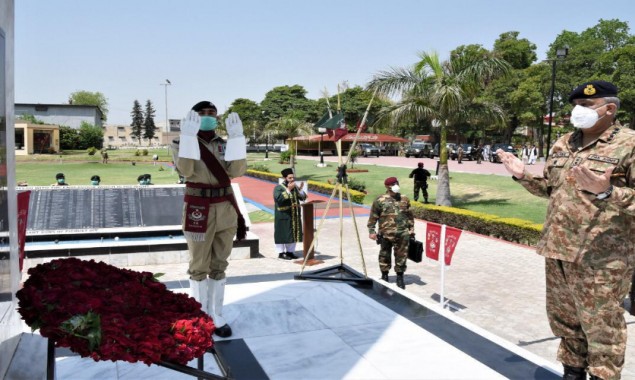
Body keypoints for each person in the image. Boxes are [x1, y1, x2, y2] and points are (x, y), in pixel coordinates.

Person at [496, 80, 635, 380]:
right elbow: (552, 189)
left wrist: (607, 192)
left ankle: (603, 375)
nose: (577, 111)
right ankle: (572, 372)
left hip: (602, 257)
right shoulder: (563, 143)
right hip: (558, 249)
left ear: (609, 109)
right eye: (575, 106)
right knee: (565, 320)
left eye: (586, 106)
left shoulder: (630, 144)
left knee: (602, 324)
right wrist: (522, 176)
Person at [172, 100, 247, 338]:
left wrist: (237, 141)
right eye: (202, 113)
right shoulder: (179, 142)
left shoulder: (223, 144)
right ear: (193, 116)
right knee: (198, 266)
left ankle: (217, 315)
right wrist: (188, 138)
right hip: (198, 207)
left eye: (211, 113)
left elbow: (236, 172)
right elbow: (186, 170)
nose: (207, 116)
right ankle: (200, 316)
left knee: (219, 264)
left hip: (225, 207)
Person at [367, 177, 415, 289]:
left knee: (401, 256)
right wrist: (371, 231)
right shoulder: (380, 200)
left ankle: (400, 277)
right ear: (387, 187)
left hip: (402, 233)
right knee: (384, 255)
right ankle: (384, 275)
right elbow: (373, 216)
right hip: (385, 234)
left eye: (397, 183)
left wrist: (411, 230)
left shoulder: (405, 199)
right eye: (393, 184)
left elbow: (410, 216)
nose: (396, 185)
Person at [273, 168, 307, 260]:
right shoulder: (278, 188)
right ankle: (281, 253)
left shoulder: (295, 187)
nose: (292, 179)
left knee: (292, 234)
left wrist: (300, 190)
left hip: (294, 215)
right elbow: (279, 199)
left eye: (293, 177)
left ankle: (290, 252)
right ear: (285, 178)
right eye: (290, 178)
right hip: (283, 215)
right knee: (282, 234)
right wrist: (288, 189)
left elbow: (303, 198)